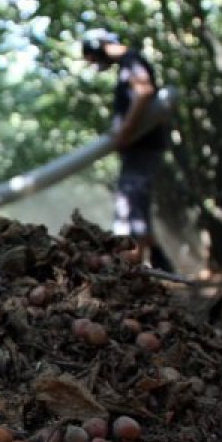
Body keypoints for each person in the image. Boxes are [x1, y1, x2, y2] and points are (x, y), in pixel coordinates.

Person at [81, 29, 174, 272]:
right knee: (136, 203)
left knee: (129, 205)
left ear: (98, 46)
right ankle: (160, 262)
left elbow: (143, 91)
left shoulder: (131, 61)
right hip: (142, 148)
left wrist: (125, 131)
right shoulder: (128, 63)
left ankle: (129, 267)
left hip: (142, 148)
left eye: (93, 57)